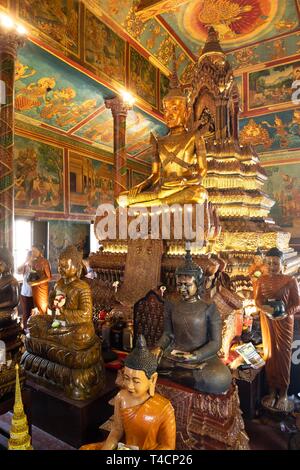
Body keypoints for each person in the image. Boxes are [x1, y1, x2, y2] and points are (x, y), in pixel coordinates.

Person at [118, 59, 213, 208]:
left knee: (200, 194)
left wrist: (187, 182)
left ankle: (159, 203)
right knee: (122, 198)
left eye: (175, 109)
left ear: (187, 113)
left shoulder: (195, 137)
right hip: (164, 189)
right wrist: (141, 186)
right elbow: (155, 175)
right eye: (166, 110)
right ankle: (160, 202)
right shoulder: (159, 141)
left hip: (183, 188)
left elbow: (203, 171)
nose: (169, 115)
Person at [23, 245, 104, 400]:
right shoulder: (59, 283)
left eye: (65, 266)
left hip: (75, 328)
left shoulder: (83, 287)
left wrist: (64, 313)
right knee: (33, 322)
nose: (61, 269)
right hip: (58, 324)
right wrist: (53, 301)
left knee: (83, 336)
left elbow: (86, 315)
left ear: (77, 266)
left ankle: (54, 340)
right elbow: (53, 306)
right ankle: (53, 337)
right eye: (59, 266)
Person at [152, 249, 232, 394]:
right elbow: (168, 334)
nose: (182, 289)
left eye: (187, 285)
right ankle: (182, 375)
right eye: (179, 284)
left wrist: (196, 355)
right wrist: (159, 348)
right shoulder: (171, 303)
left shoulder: (208, 306)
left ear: (198, 284)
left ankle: (176, 375)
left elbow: (215, 343)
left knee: (221, 378)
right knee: (146, 361)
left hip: (201, 359)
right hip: (175, 355)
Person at [80, 335, 176, 450]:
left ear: (153, 379)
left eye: (136, 381)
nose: (129, 386)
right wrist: (107, 448)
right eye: (126, 378)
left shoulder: (164, 408)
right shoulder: (121, 397)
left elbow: (168, 447)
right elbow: (117, 430)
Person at [255, 247, 300, 412]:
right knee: (270, 353)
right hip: (267, 320)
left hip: (284, 322)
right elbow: (257, 300)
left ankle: (283, 393)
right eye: (269, 263)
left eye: (275, 263)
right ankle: (272, 391)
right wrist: (264, 309)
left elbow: (296, 303)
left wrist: (285, 313)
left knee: (283, 355)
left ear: (282, 263)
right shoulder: (261, 280)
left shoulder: (290, 281)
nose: (272, 266)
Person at [28, 244, 51, 315]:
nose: (33, 253)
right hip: (34, 288)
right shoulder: (34, 261)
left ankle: (43, 321)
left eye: (35, 251)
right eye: (32, 251)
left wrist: (36, 283)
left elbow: (49, 277)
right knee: (36, 307)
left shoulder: (44, 261)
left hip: (42, 288)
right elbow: (32, 273)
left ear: (40, 252)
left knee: (42, 307)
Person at [0, 248, 19, 326]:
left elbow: (14, 301)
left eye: (0, 264)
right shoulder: (1, 278)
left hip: (8, 311)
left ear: (8, 264)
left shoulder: (12, 281)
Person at [18, 250, 34, 330]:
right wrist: (25, 261)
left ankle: (31, 329)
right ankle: (25, 329)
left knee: (32, 312)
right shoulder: (25, 266)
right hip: (24, 293)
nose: (32, 258)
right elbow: (17, 270)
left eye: (33, 256)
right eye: (30, 256)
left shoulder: (36, 266)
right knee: (25, 312)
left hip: (34, 294)